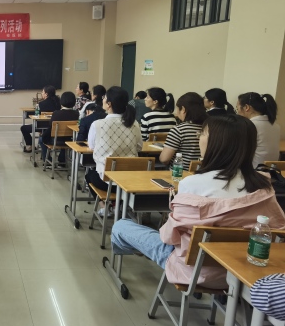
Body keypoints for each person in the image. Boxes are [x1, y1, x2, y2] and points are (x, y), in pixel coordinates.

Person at [111, 114, 285, 289]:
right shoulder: (265, 187)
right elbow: (278, 231)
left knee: (121, 226)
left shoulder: (192, 184)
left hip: (195, 272)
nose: (198, 137)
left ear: (216, 143)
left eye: (202, 133)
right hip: (245, 275)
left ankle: (130, 258)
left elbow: (168, 237)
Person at [85, 87, 142, 208]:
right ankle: (119, 205)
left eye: (104, 97)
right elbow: (139, 147)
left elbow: (92, 147)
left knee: (89, 175)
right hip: (130, 181)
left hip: (107, 181)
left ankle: (104, 207)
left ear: (109, 104)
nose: (103, 99)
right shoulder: (134, 124)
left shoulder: (97, 124)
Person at [159, 92, 208, 165]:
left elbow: (164, 159)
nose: (177, 113)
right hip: (203, 170)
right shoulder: (210, 128)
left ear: (183, 109)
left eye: (177, 109)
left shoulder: (179, 130)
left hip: (180, 171)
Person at [237, 92, 280, 167]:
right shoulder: (276, 126)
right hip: (272, 170)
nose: (237, 113)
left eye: (237, 109)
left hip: (254, 170)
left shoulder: (249, 126)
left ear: (246, 107)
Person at [39, 91, 79, 163]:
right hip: (70, 141)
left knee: (41, 139)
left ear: (61, 101)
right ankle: (62, 160)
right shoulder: (76, 114)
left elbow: (50, 127)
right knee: (64, 136)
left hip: (55, 141)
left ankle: (47, 160)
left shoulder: (56, 113)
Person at [20, 85, 61, 153]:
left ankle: (30, 146)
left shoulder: (42, 104)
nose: (41, 93)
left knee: (23, 128)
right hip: (55, 127)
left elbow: (37, 116)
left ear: (46, 94)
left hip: (42, 126)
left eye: (42, 92)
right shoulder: (58, 102)